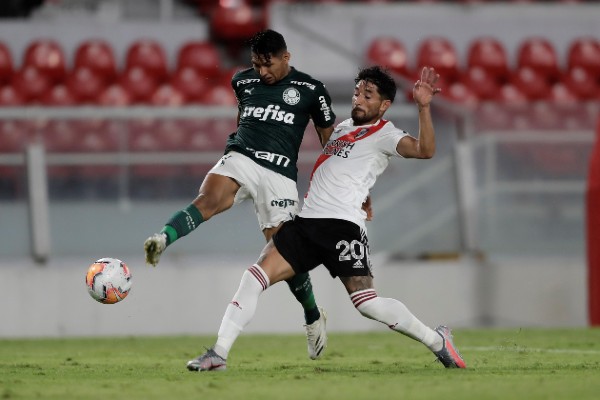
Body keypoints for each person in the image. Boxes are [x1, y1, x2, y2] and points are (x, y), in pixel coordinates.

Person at [186, 65, 467, 371]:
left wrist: (423, 107)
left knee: (367, 304)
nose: (358, 99)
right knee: (253, 278)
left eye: (367, 95)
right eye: (358, 92)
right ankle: (218, 354)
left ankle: (437, 341)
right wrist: (365, 193)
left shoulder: (386, 134)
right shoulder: (344, 128)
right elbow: (346, 169)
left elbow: (425, 150)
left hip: (343, 227)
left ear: (384, 105)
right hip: (306, 223)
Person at [144, 29, 339, 360]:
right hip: (242, 157)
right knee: (207, 200)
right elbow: (244, 118)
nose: (262, 72)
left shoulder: (311, 90)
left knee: (284, 252)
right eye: (256, 64)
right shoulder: (243, 82)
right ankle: (163, 238)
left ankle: (312, 315)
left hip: (279, 176)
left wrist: (338, 185)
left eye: (268, 64)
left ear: (286, 57)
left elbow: (329, 141)